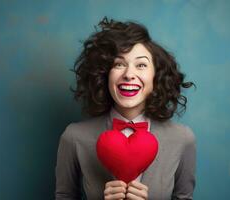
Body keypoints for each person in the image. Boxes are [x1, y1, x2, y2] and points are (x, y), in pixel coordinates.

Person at [55, 17, 196, 200]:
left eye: (141, 65)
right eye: (119, 64)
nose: (129, 74)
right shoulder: (73, 137)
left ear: (156, 76)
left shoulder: (183, 138)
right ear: (105, 75)